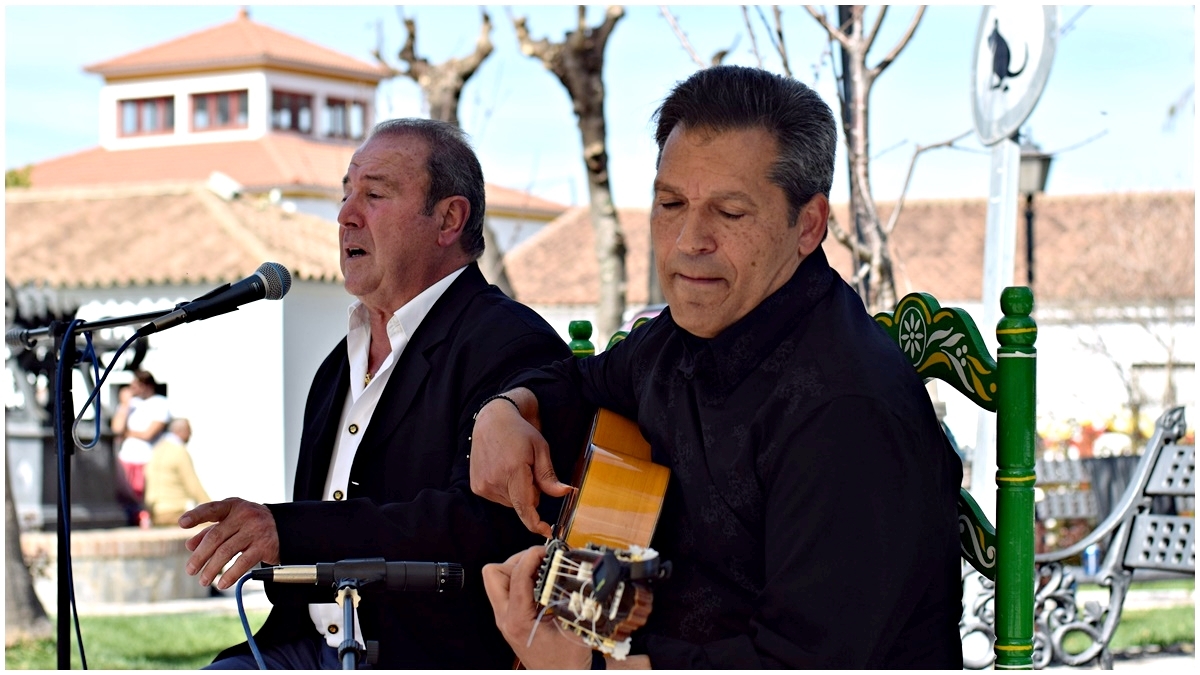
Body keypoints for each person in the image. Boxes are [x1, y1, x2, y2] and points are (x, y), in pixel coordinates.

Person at [471, 66, 965, 669]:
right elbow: (579, 384)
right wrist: (505, 411)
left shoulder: (845, 408)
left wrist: (584, 666)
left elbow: (800, 663)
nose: (688, 241)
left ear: (807, 225)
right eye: (671, 204)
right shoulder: (681, 336)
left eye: (729, 213)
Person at [179, 118, 580, 669]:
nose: (346, 214)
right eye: (346, 193)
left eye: (374, 194)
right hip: (303, 646)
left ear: (448, 218)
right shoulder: (335, 367)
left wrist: (290, 531)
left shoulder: (509, 345)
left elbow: (478, 527)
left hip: (421, 656)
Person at [111, 369, 170, 525]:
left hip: (147, 457)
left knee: (144, 497)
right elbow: (116, 429)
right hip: (126, 457)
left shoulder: (160, 403)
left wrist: (127, 433)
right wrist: (124, 406)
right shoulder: (130, 404)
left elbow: (148, 434)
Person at [144, 418, 210, 527]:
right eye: (189, 431)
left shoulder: (157, 449)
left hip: (155, 512)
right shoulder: (179, 451)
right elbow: (193, 485)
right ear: (181, 431)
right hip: (175, 511)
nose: (190, 435)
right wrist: (212, 507)